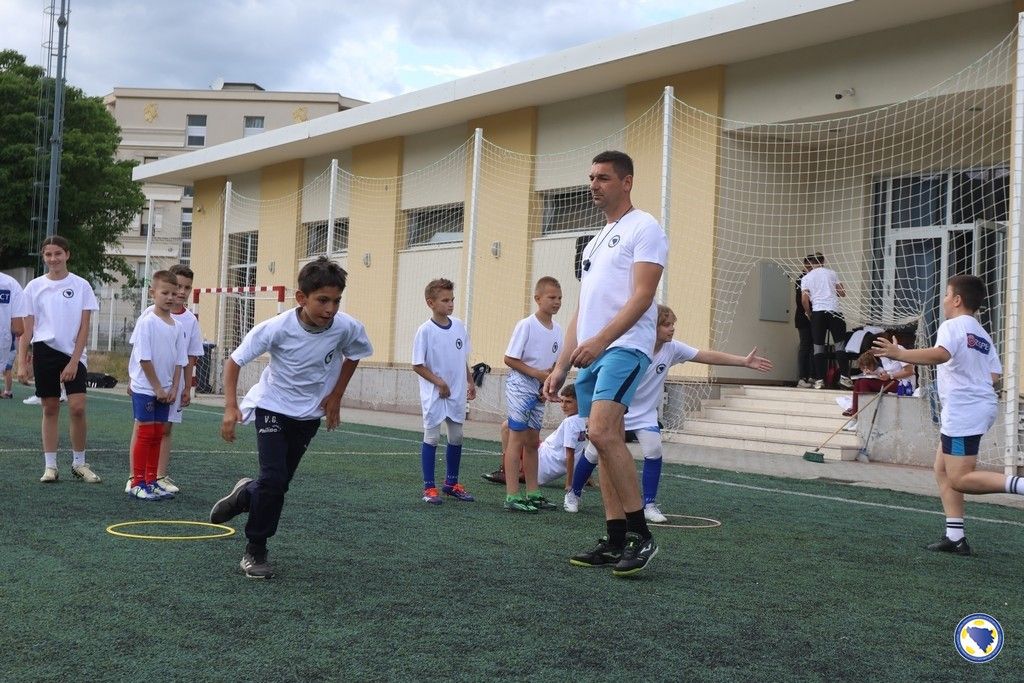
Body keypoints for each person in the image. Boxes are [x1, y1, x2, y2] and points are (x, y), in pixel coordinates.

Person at [543, 150, 668, 578]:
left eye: (603, 177)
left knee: (598, 431)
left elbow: (642, 296)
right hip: (592, 354)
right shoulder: (595, 241)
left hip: (624, 347)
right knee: (600, 441)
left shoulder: (645, 227)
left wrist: (601, 341)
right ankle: (615, 539)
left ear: (627, 181)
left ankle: (641, 536)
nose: (593, 184)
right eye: (591, 177)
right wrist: (560, 367)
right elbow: (582, 308)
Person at [212, 257, 372, 578]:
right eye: (322, 300)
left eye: (336, 301)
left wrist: (336, 395)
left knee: (279, 483)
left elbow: (355, 353)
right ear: (301, 298)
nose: (330, 308)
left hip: (309, 414)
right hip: (272, 406)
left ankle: (246, 494)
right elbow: (233, 362)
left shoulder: (346, 327)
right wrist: (231, 407)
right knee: (273, 480)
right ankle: (255, 550)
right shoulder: (276, 328)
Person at [564, 304, 773, 521]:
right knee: (593, 452)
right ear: (651, 327)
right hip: (618, 410)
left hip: (645, 414)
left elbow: (705, 355)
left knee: (654, 449)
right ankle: (574, 493)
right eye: (666, 325)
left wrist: (743, 362)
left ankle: (649, 505)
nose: (671, 329)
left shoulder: (672, 348)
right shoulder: (630, 347)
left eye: (673, 324)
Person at [873, 275, 1019, 556]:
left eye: (946, 294)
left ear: (957, 299)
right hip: (977, 407)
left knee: (960, 478)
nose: (943, 300)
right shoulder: (981, 333)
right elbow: (994, 374)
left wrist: (899, 353)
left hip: (964, 411)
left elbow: (940, 355)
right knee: (942, 469)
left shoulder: (952, 325)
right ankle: (955, 537)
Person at [17, 236, 101, 483]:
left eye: (57, 254)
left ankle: (79, 463)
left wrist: (75, 360)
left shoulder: (82, 285)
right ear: (44, 257)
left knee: (77, 407)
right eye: (48, 255)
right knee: (50, 407)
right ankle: (50, 466)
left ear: (67, 254)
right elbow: (27, 330)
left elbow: (85, 326)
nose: (53, 259)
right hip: (44, 352)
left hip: (73, 353)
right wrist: (23, 363)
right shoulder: (33, 287)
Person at [124, 263, 204, 495]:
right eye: (168, 291)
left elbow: (184, 360)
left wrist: (177, 388)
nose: (175, 295)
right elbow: (142, 357)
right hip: (147, 387)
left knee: (159, 432)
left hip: (167, 389)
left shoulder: (181, 325)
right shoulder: (147, 319)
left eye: (181, 289)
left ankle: (152, 480)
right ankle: (137, 481)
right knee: (145, 431)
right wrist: (155, 385)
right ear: (154, 293)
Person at [501, 276, 563, 512]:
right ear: (538, 299)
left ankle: (533, 491)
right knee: (516, 438)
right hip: (521, 386)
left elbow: (556, 364)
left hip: (539, 389)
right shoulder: (526, 324)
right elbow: (509, 359)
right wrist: (537, 374)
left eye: (559, 298)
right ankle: (512, 495)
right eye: (551, 297)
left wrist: (549, 385)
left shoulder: (558, 329)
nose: (556, 302)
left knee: (532, 442)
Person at [412, 278, 476, 505]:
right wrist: (439, 383)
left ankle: (451, 483)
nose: (450, 304)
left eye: (452, 299)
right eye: (445, 300)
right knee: (431, 437)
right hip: (435, 395)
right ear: (431, 302)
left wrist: (470, 381)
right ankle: (429, 488)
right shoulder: (425, 331)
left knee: (457, 436)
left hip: (457, 393)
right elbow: (417, 365)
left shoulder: (458, 325)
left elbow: (463, 358)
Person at [801, 252, 850, 389]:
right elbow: (842, 293)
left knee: (818, 347)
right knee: (840, 345)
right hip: (834, 311)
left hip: (818, 313)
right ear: (823, 261)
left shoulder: (806, 277)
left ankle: (820, 380)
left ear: (810, 263)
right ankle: (845, 377)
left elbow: (804, 300)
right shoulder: (832, 273)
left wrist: (809, 313)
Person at [0, 267, 26, 399]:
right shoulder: (11, 284)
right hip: (4, 345)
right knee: (7, 370)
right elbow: (19, 328)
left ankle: (7, 391)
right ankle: (7, 391)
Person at [794, 256, 814, 388]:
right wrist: (809, 313)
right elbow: (801, 301)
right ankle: (802, 377)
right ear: (806, 265)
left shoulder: (814, 279)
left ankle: (812, 376)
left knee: (814, 348)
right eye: (810, 265)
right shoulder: (801, 279)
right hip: (804, 318)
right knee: (805, 347)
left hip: (814, 318)